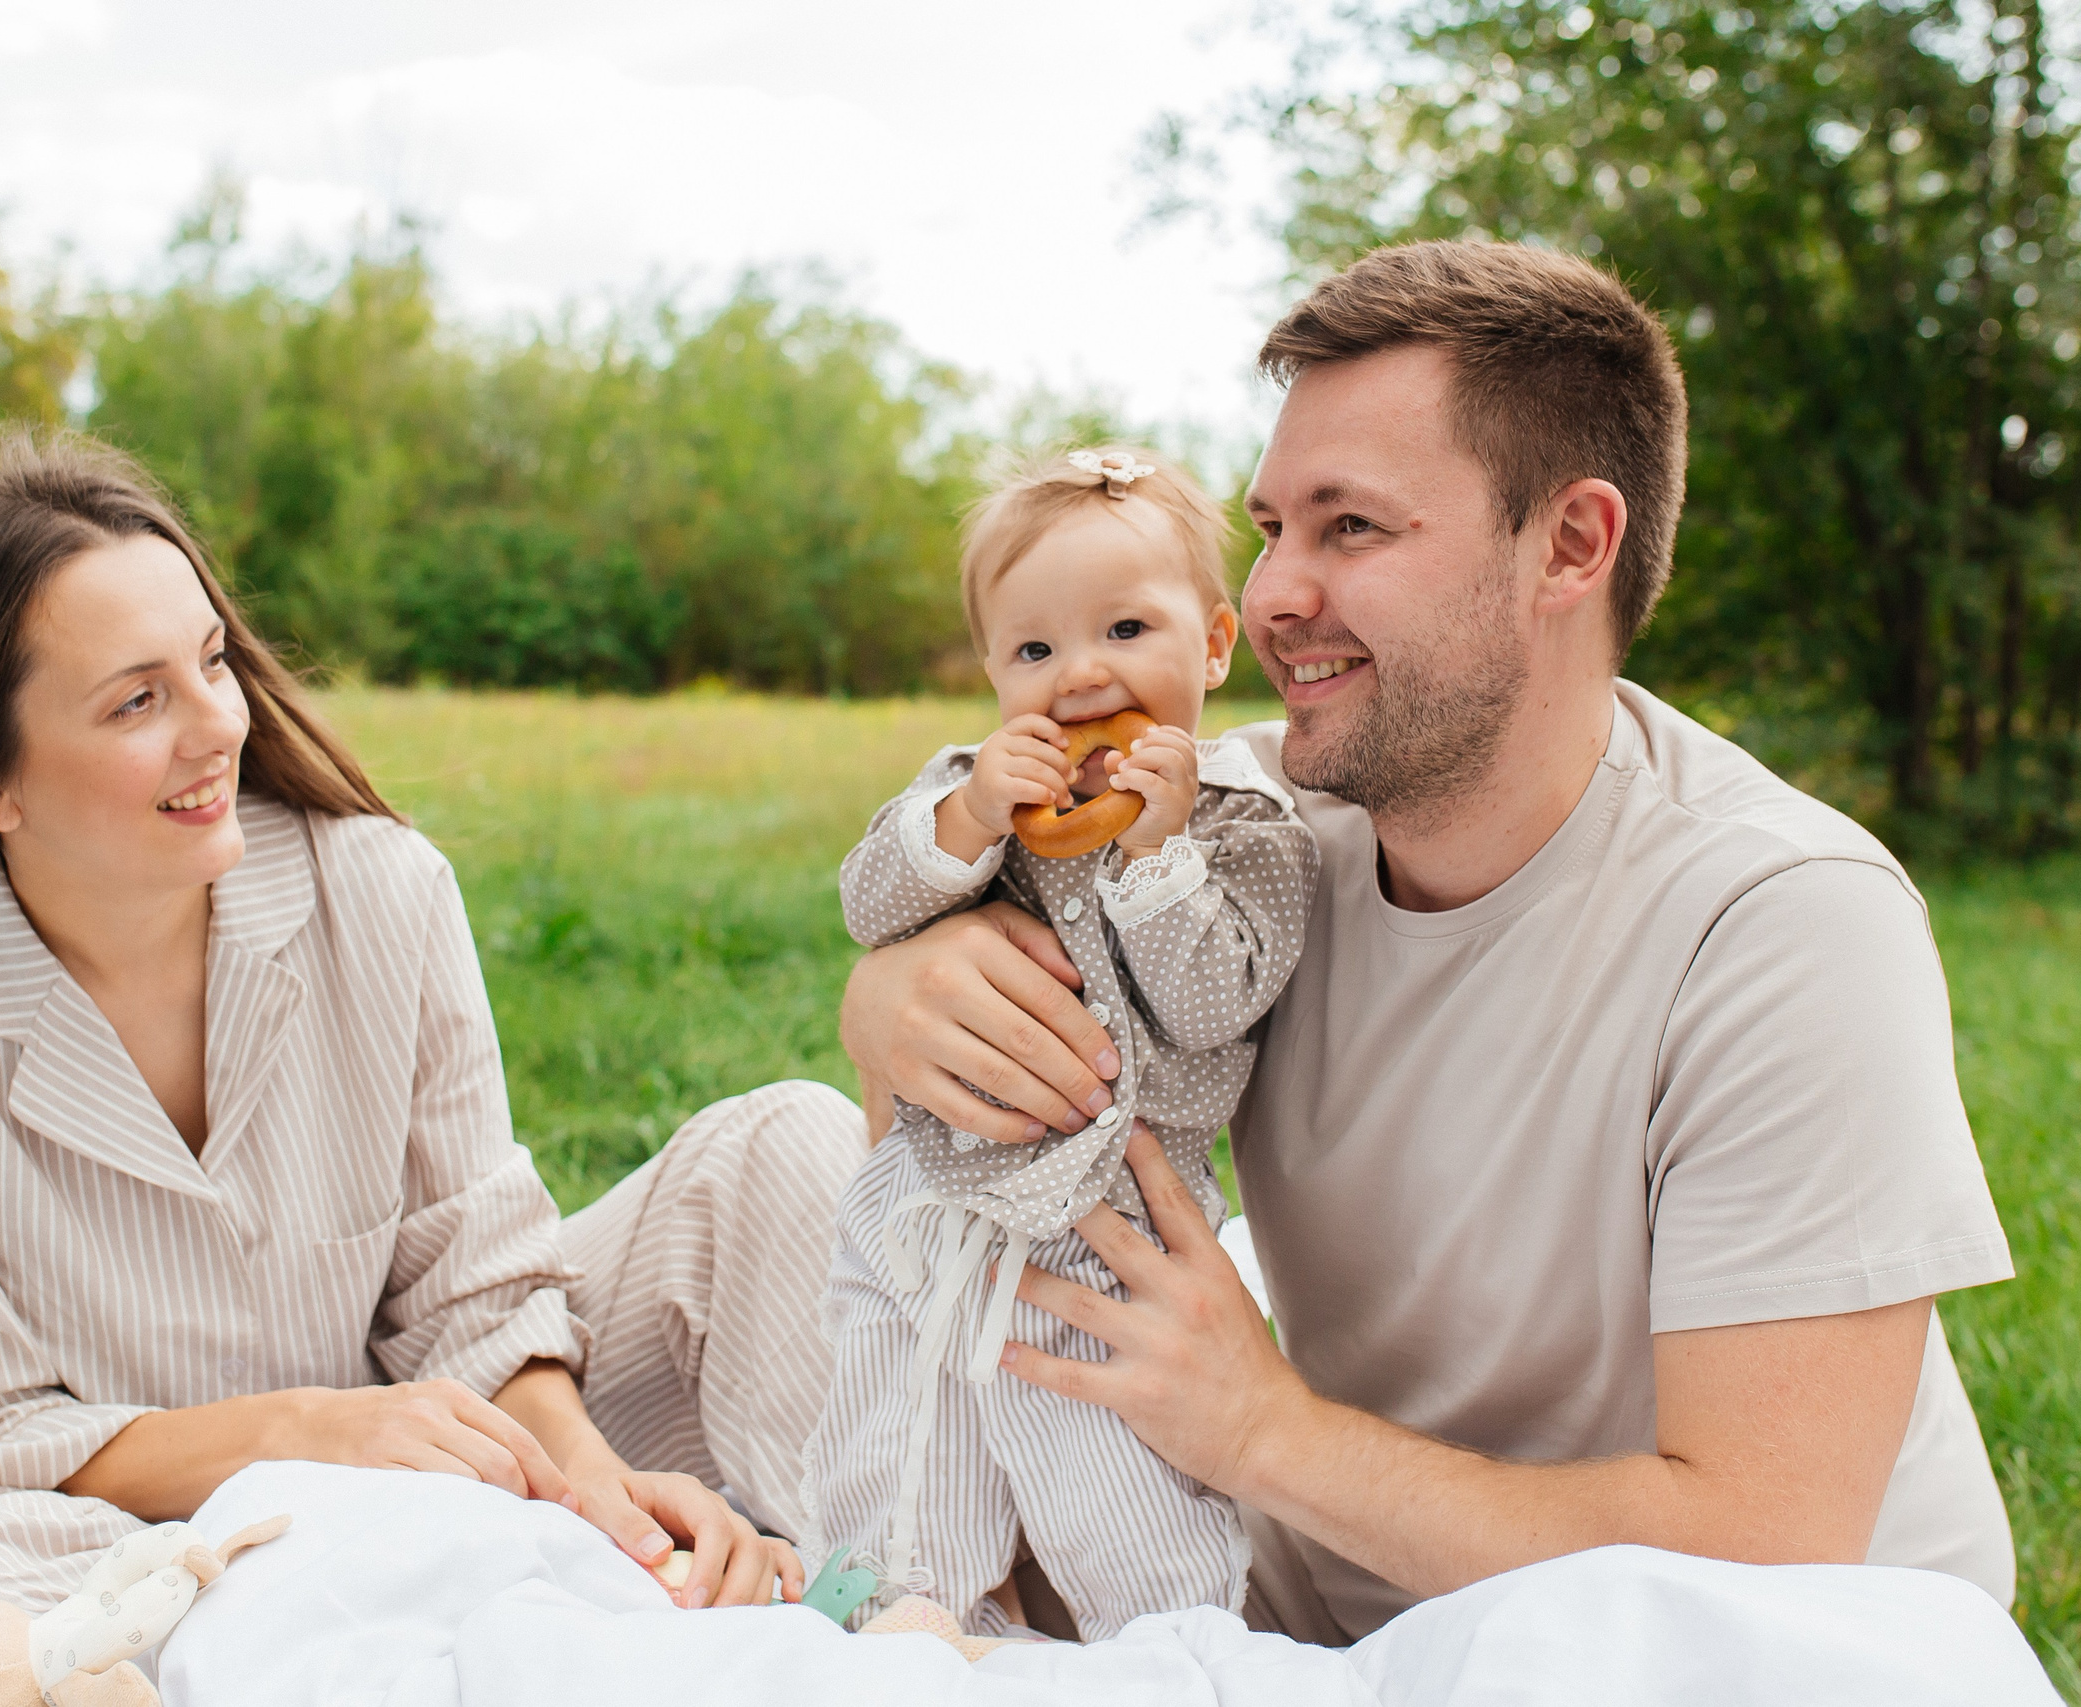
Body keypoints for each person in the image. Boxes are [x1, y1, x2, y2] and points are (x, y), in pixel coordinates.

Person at [834, 240, 2016, 1643]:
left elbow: (1764, 1540)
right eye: (1273, 527)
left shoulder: (1783, 921)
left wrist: (1258, 1429)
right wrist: (891, 991)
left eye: (1352, 529)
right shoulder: (1236, 824)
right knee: (774, 1172)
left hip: (1697, 1648)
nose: (1271, 595)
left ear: (1571, 544)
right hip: (1320, 1583)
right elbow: (954, 957)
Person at [0, 433, 870, 1693]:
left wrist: (585, 1481)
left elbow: (474, 1283)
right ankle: (397, 1642)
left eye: (211, 661)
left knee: (786, 1142)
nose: (218, 724)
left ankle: (870, 1599)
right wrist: (309, 1437)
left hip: (434, 1445)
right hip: (126, 1523)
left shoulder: (377, 886)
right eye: (135, 701)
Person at [808, 447, 1318, 1639]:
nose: (1080, 673)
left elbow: (1208, 1005)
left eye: (1126, 628)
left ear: (1211, 645)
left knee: (1106, 1462)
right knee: (896, 1416)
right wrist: (970, 816)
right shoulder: (973, 793)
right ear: (991, 671)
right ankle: (884, 1617)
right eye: (1032, 650)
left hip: (1107, 1219)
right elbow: (870, 909)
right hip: (925, 1198)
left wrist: (1155, 854)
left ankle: (1168, 1646)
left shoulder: (1245, 830)